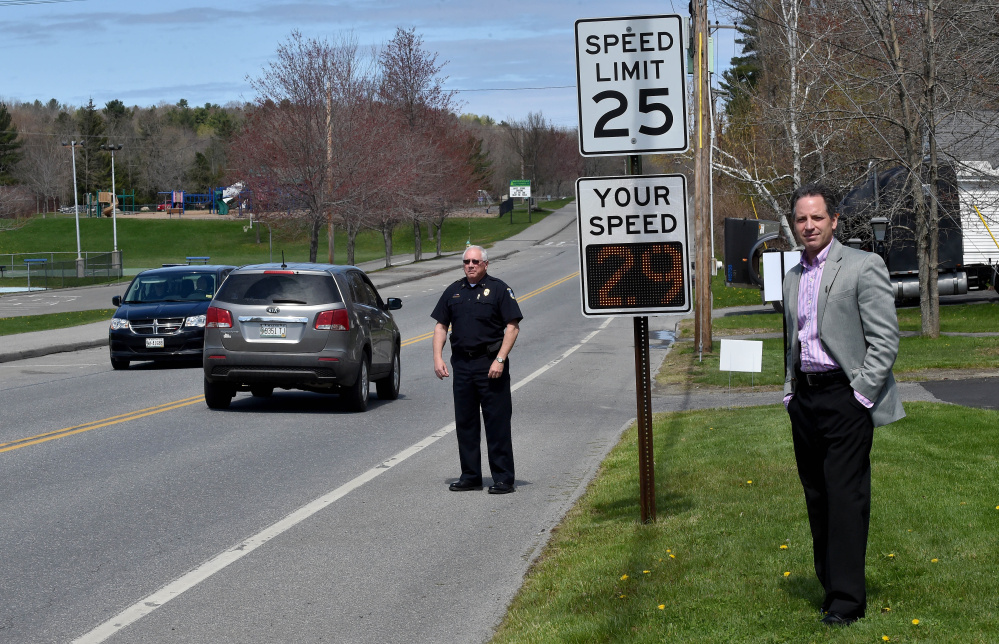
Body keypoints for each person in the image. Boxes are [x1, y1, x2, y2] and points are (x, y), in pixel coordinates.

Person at [782, 183, 905, 626]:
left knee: (845, 498)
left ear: (834, 221)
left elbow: (885, 337)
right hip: (806, 400)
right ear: (794, 224)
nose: (809, 225)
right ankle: (829, 588)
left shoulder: (862, 266)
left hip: (845, 397)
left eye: (817, 217)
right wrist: (789, 390)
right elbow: (792, 340)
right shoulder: (793, 276)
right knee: (817, 497)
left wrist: (862, 394)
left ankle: (848, 603)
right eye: (801, 218)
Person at [431, 245, 523, 494]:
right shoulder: (454, 291)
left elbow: (512, 327)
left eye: (475, 261)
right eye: (466, 261)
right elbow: (441, 326)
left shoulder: (499, 289)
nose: (470, 265)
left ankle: (503, 478)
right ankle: (470, 475)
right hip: (462, 365)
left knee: (497, 422)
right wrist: (438, 357)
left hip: (490, 364)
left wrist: (500, 360)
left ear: (485, 264)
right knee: (466, 422)